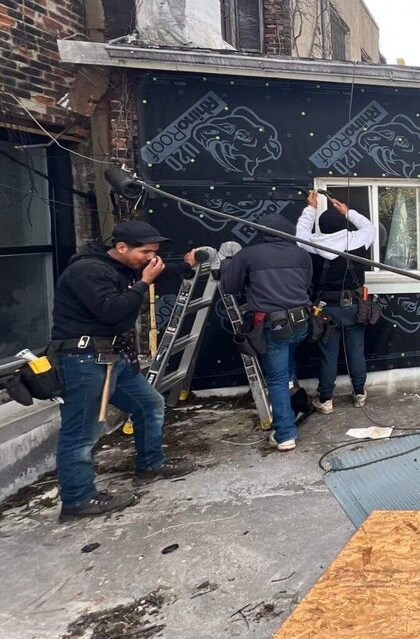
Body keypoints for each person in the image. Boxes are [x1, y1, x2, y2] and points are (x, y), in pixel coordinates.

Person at [51, 220, 198, 521]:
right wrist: (144, 283)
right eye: (145, 251)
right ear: (121, 248)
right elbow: (113, 311)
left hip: (111, 359)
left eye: (154, 252)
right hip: (84, 361)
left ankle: (151, 464)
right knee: (82, 432)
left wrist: (185, 265)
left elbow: (155, 269)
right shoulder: (88, 271)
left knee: (149, 404)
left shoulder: (117, 267)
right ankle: (78, 499)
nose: (151, 258)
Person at [219, 212, 313, 451]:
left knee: (277, 378)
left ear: (260, 232)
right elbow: (307, 284)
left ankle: (285, 434)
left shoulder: (249, 255)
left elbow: (229, 285)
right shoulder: (303, 254)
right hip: (301, 322)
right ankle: (292, 410)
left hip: (274, 326)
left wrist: (228, 263)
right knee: (288, 368)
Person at [296, 190, 376, 411]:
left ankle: (326, 400)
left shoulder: (312, 243)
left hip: (325, 310)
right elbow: (369, 227)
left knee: (328, 354)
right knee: (355, 351)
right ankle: (359, 393)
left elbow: (300, 231)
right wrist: (348, 211)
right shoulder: (357, 240)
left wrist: (311, 208)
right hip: (353, 307)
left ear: (321, 227)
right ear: (343, 224)